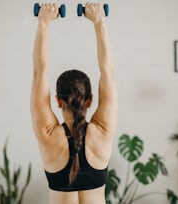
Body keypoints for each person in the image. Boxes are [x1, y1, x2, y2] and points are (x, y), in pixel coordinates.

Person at [30, 3, 118, 204]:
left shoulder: (48, 134)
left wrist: (44, 23)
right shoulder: (102, 132)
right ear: (90, 100)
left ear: (58, 101)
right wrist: (99, 22)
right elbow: (109, 73)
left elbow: (39, 75)